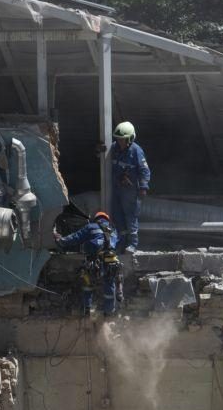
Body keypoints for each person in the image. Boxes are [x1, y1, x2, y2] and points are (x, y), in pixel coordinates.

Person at [54, 212, 122, 317]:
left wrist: (61, 240)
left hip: (94, 260)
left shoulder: (91, 227)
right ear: (107, 220)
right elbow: (117, 242)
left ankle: (87, 309)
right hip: (111, 261)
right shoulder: (113, 230)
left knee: (87, 283)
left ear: (96, 219)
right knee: (109, 285)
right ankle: (108, 312)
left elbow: (76, 237)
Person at [109, 121, 151, 253]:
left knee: (130, 216)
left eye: (123, 140)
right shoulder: (114, 148)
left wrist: (143, 187)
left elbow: (145, 171)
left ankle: (132, 244)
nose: (120, 142)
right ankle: (121, 242)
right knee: (117, 215)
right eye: (118, 139)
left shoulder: (136, 151)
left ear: (130, 139)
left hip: (130, 190)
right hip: (116, 188)